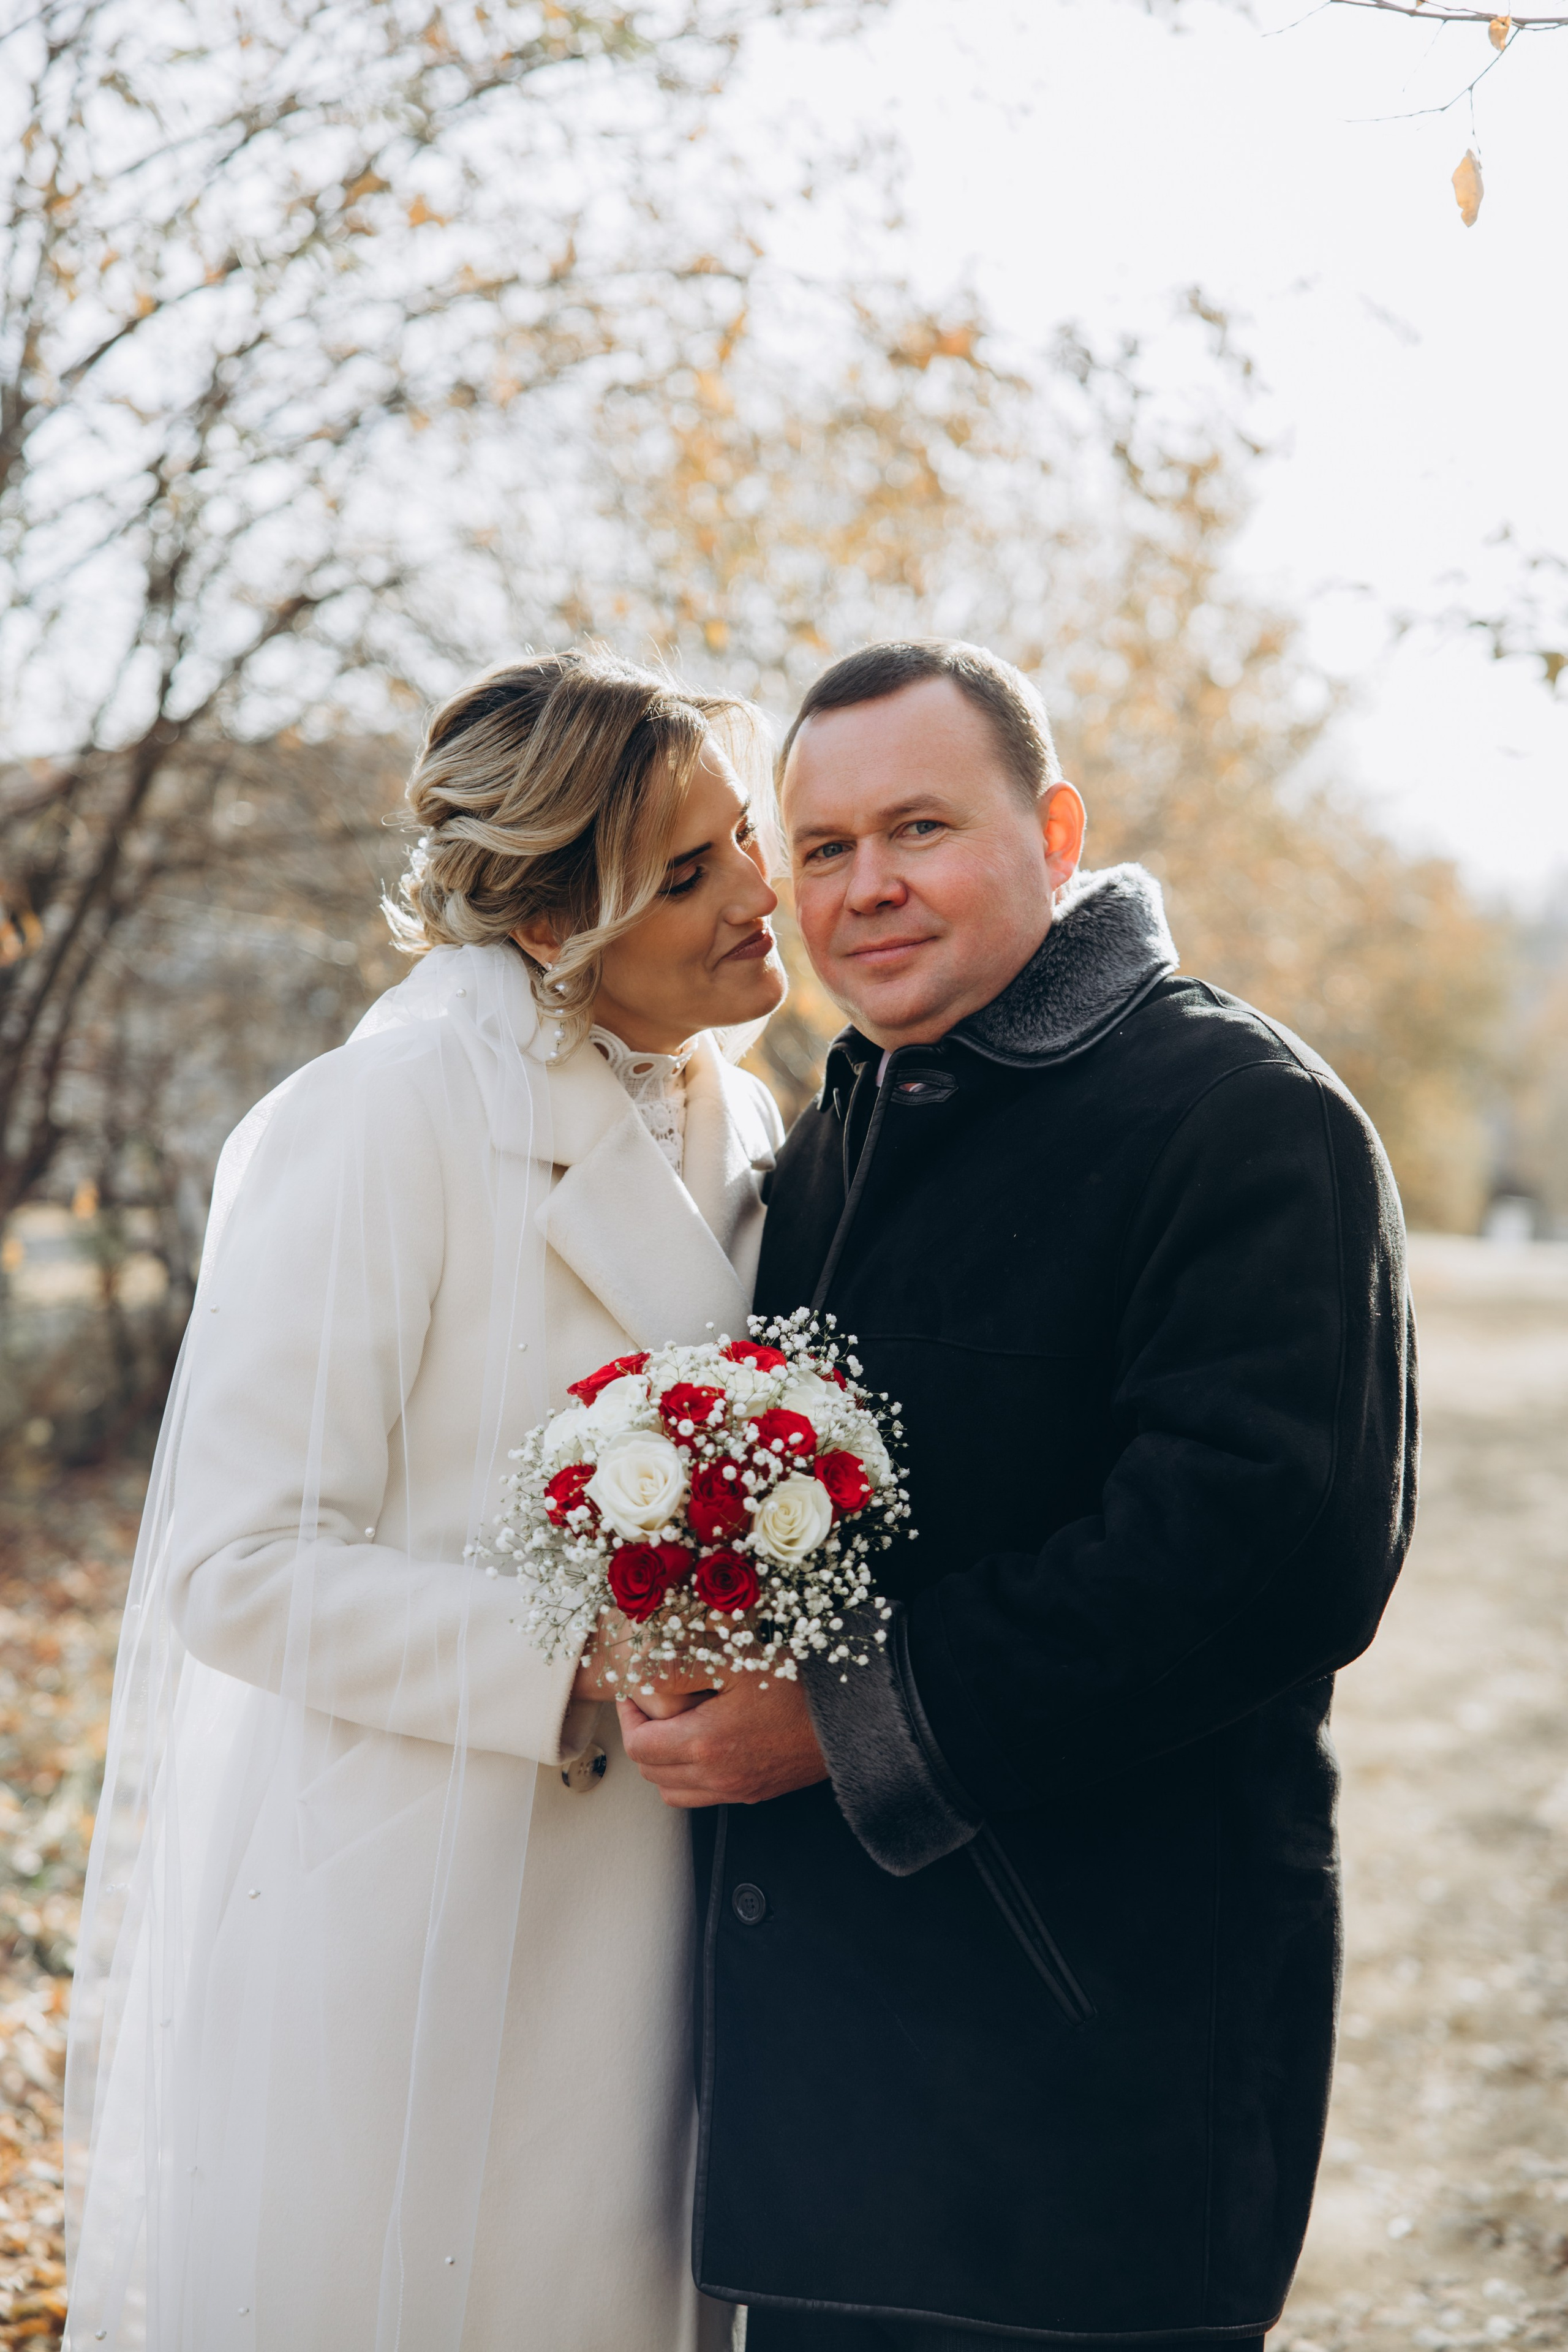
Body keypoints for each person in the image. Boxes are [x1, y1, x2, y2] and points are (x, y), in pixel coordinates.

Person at [620, 639, 1418, 2350]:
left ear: (1056, 829)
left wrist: (830, 1724)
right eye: (821, 848)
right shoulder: (838, 1142)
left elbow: (1267, 1555)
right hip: (831, 2128)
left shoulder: (1243, 1117)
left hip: (1094, 2108)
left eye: (920, 827)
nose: (866, 886)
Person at [65, 650, 784, 2351]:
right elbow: (234, 1567)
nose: (763, 890)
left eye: (745, 834)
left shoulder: (740, 1105)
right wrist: (577, 1652)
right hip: (435, 1901)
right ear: (551, 927)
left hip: (686, 1891)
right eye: (686, 873)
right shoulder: (381, 1119)